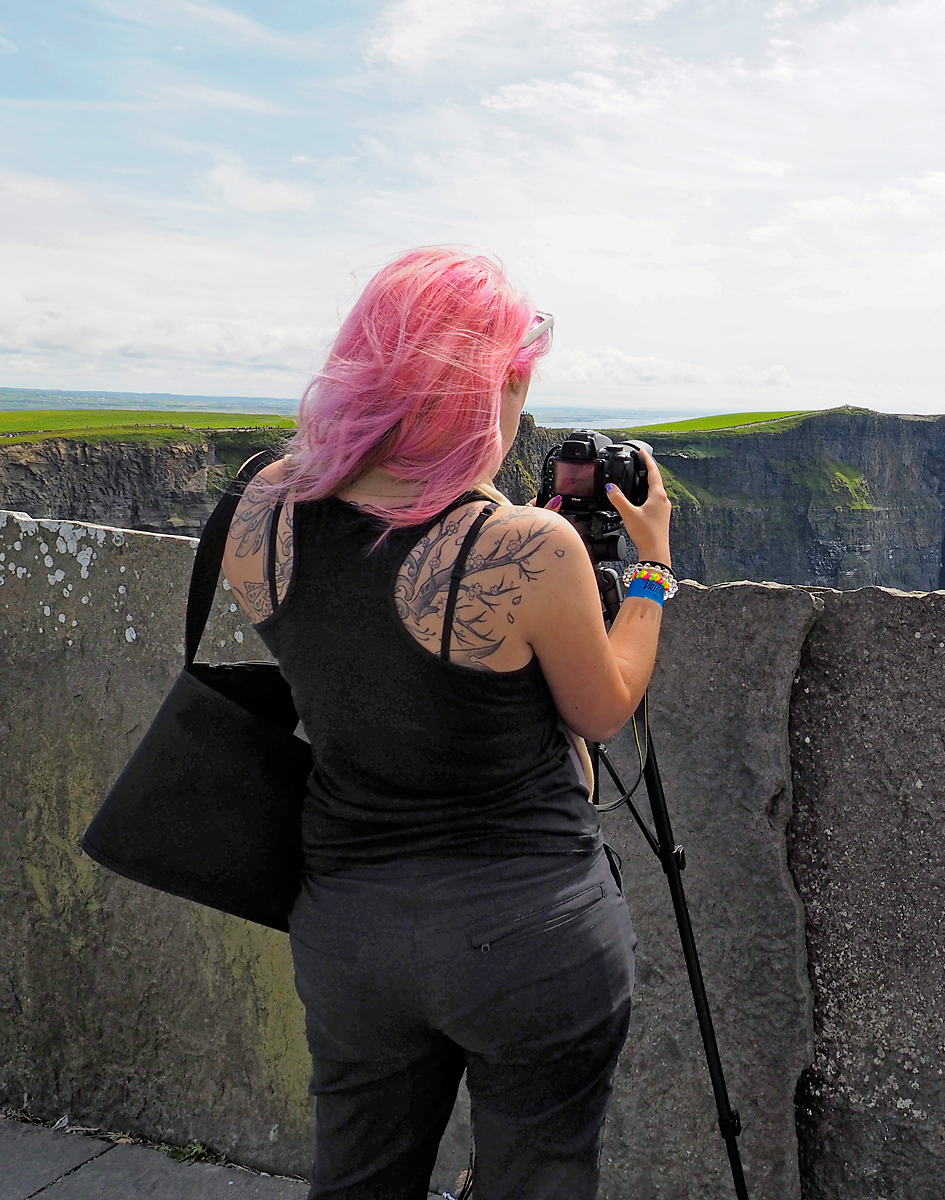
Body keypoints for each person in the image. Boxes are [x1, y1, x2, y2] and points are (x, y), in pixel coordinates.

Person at [220, 247, 675, 1200]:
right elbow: (601, 708)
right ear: (484, 393)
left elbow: (377, 587)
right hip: (529, 930)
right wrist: (650, 577)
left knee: (358, 1181)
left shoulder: (259, 507)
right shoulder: (528, 547)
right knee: (536, 1175)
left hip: (348, 926)